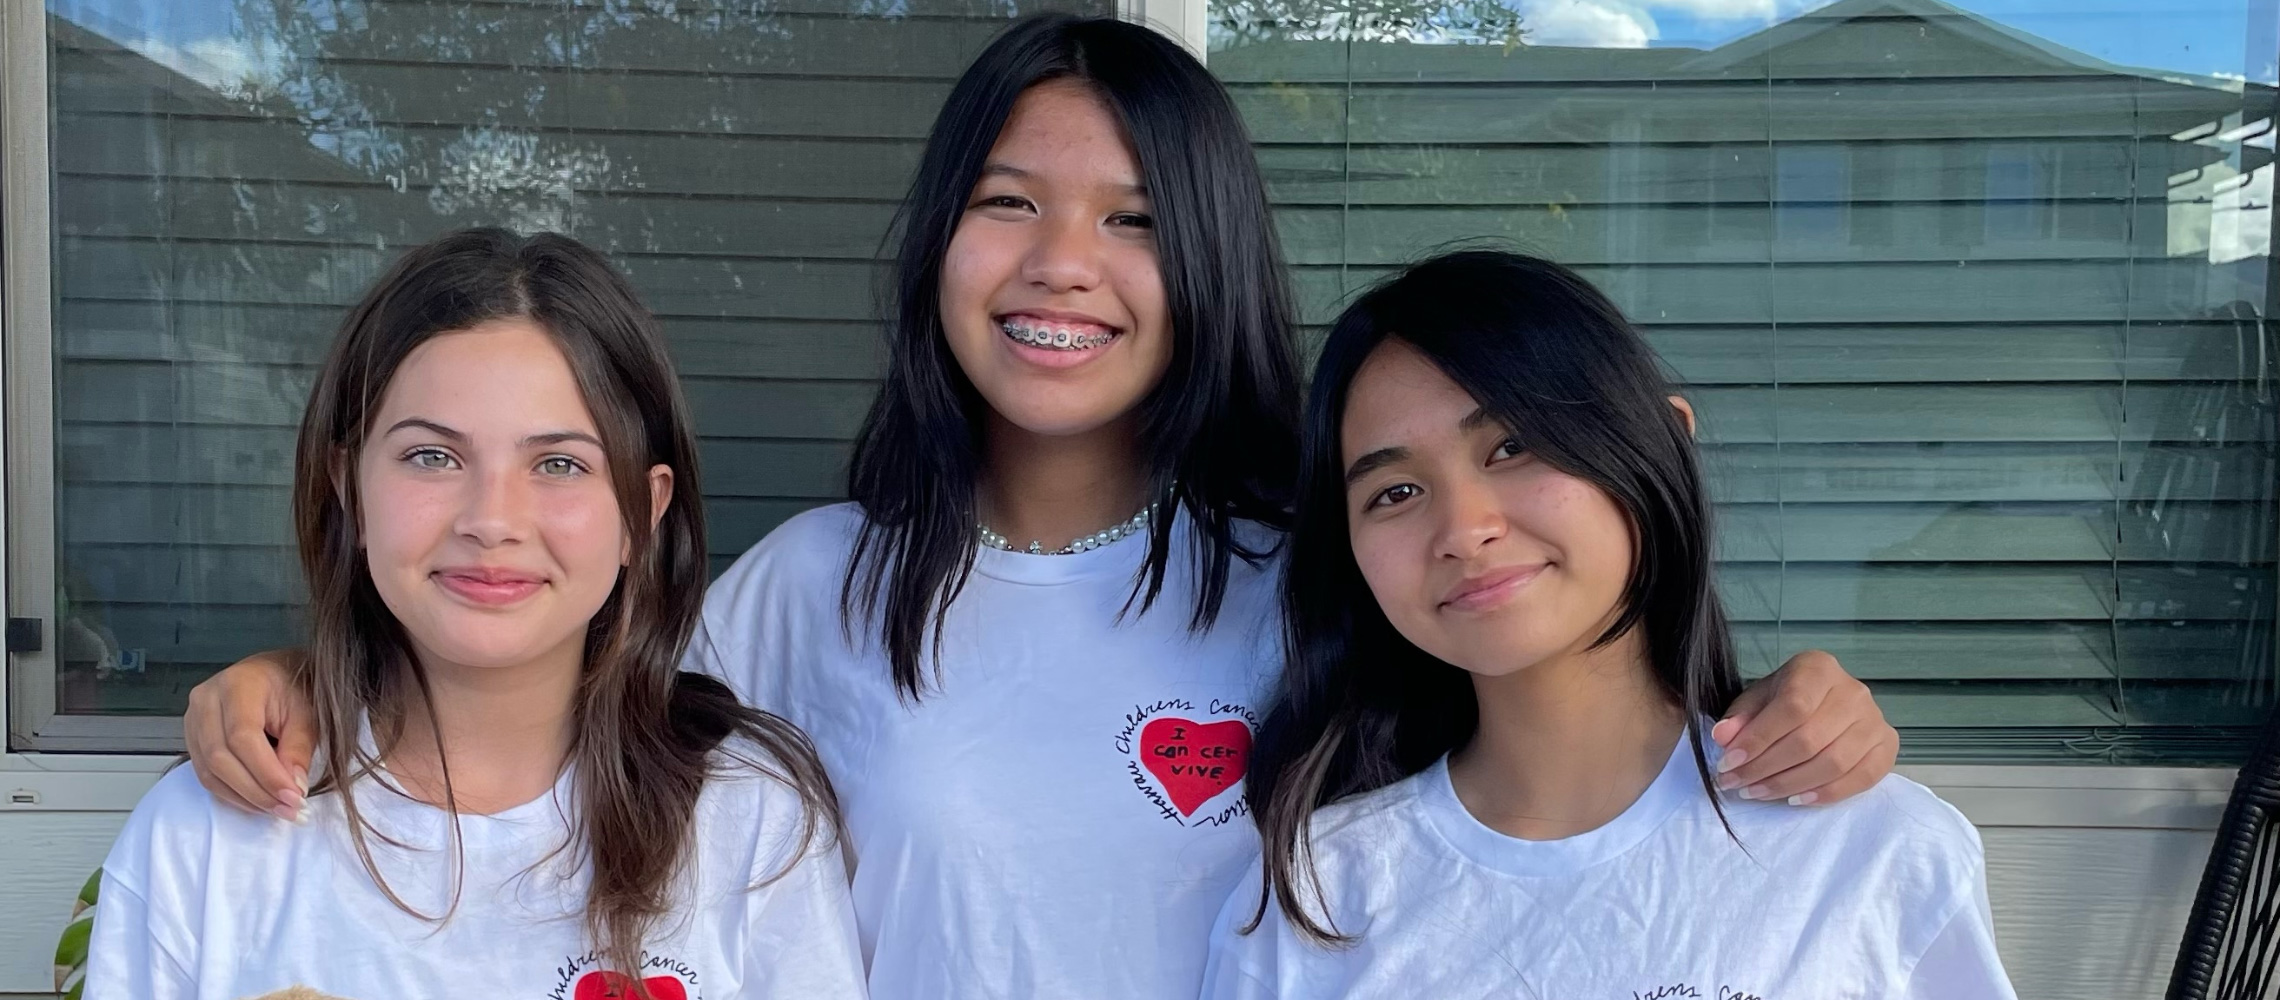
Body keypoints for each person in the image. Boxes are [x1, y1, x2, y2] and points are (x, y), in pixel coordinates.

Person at [174, 16, 1899, 999]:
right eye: (1009, 204)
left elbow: (1554, 765)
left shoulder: (1338, 567)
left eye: (1137, 219)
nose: (1062, 266)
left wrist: (1772, 710)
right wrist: (297, 691)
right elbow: (528, 691)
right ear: (940, 240)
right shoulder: (809, 590)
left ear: (1208, 257)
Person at [1203, 250, 2013, 998]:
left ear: (1662, 443)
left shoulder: (1875, 851)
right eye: (1395, 494)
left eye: (1514, 445)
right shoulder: (1318, 890)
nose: (1463, 528)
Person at [86, 230, 866, 1000]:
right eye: (433, 456)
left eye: (559, 463)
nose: (492, 520)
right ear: (348, 487)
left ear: (643, 513)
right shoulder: (203, 835)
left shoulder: (752, 825)